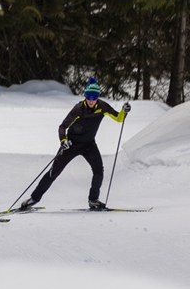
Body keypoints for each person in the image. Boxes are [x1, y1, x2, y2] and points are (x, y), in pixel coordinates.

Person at [20, 78, 130, 211]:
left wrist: (124, 111)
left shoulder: (102, 107)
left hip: (89, 144)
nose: (91, 100)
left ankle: (93, 200)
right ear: (85, 96)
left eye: (94, 97)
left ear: (97, 97)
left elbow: (119, 118)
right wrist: (63, 141)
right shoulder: (78, 109)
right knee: (53, 172)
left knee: (98, 170)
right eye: (88, 97)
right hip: (71, 144)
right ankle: (33, 199)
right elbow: (62, 127)